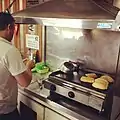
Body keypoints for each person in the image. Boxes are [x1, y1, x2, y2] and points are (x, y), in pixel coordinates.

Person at [0, 12, 34, 120]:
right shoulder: (9, 50)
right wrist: (28, 66)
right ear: (9, 27)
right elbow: (24, 82)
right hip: (4, 111)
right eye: (14, 28)